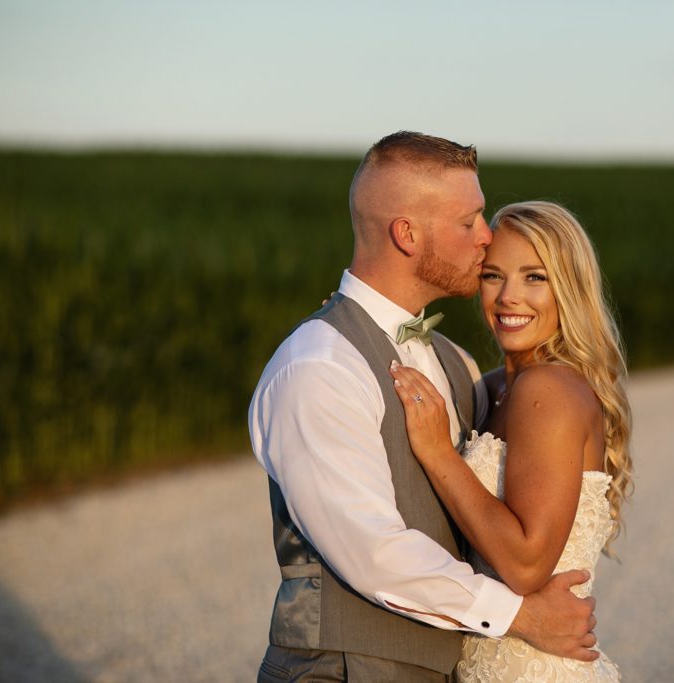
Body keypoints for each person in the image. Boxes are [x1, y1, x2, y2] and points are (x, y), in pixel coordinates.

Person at [248, 133, 598, 682]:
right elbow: (371, 552)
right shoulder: (319, 367)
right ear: (406, 234)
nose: (486, 238)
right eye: (469, 221)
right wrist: (521, 616)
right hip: (342, 669)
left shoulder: (454, 362)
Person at [388, 200, 633, 681]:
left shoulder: (549, 390)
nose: (508, 298)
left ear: (569, 287)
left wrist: (439, 452)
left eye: (534, 277)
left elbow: (525, 566)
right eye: (494, 276)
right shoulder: (496, 386)